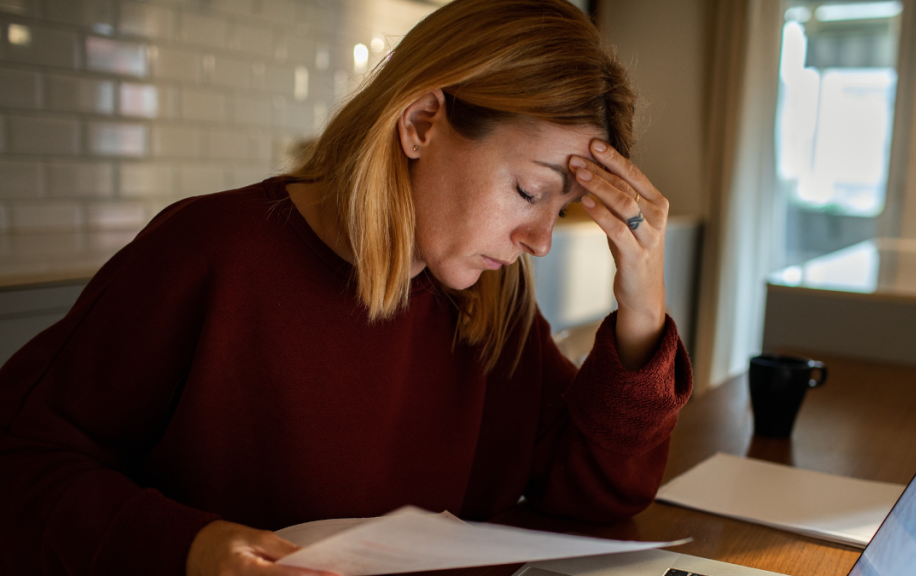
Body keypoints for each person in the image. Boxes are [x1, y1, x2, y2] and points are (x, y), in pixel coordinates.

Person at [0, 1, 692, 575]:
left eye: (560, 207)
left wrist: (642, 307)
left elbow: (597, 493)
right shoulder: (210, 253)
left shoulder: (491, 303)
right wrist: (192, 547)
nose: (539, 239)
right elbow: (21, 468)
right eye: (528, 191)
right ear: (422, 123)